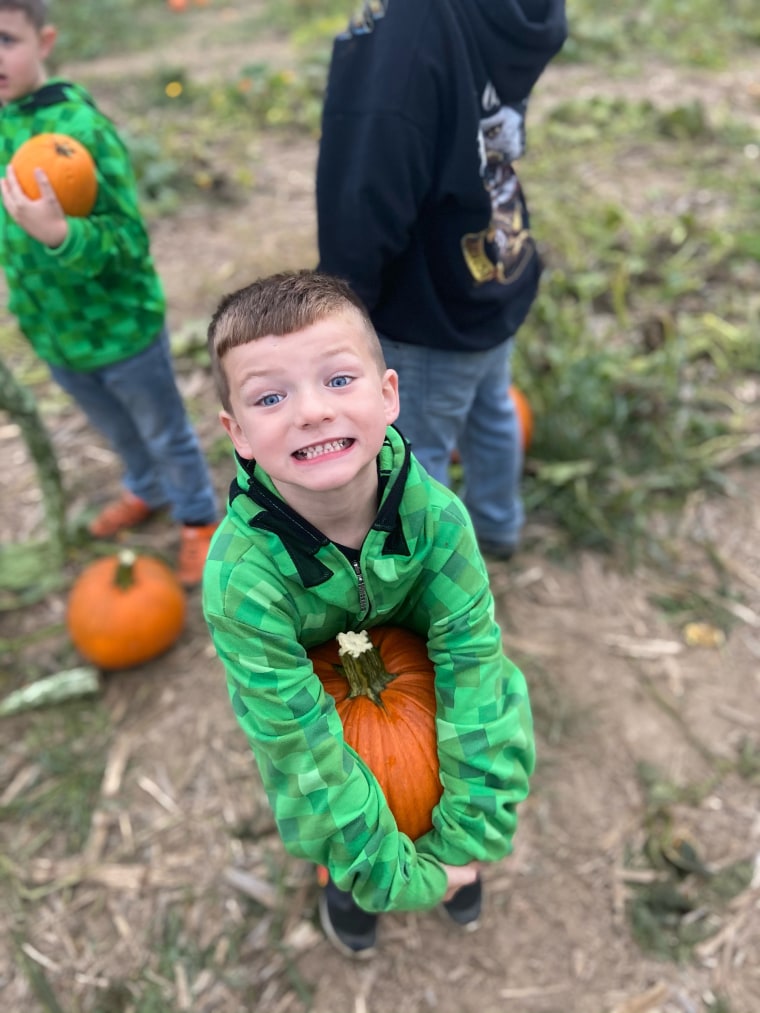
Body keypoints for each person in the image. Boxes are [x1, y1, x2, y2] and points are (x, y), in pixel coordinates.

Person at [202, 270, 535, 958]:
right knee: (333, 771)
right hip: (322, 711)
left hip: (409, 681)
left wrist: (462, 845)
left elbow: (475, 673)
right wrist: (395, 877)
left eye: (338, 380)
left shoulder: (439, 522)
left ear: (389, 396)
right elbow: (300, 749)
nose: (312, 411)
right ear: (237, 433)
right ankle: (349, 874)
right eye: (270, 396)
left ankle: (452, 846)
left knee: (453, 719)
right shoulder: (242, 580)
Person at [316, 0, 567, 560]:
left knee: (418, 450)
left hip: (423, 300)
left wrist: (343, 302)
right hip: (493, 261)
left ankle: (443, 578)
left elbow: (373, 182)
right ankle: (500, 527)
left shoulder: (417, 22)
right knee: (492, 407)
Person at [0, 0, 218, 587]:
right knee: (117, 430)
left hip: (120, 329)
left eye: (5, 39)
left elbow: (127, 239)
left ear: (44, 41)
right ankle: (144, 489)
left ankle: (198, 516)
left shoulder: (79, 129)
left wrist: (62, 234)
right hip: (53, 330)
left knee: (164, 430)